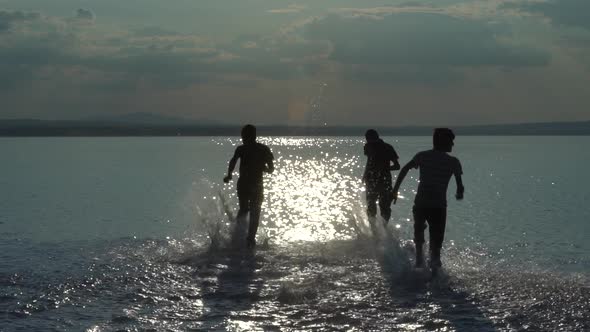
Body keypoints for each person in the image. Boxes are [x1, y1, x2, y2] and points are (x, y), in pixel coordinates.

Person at [392, 128, 464, 272]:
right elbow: (460, 186)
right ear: (443, 142)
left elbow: (404, 169)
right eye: (451, 141)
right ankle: (434, 274)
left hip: (421, 204)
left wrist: (395, 190)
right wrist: (459, 192)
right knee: (436, 242)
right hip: (438, 206)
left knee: (419, 232)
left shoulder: (422, 156)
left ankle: (419, 263)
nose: (453, 145)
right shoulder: (453, 162)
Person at [223, 124, 274, 248]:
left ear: (251, 136)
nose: (243, 138)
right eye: (242, 136)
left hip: (252, 184)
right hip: (248, 184)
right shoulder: (245, 149)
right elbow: (233, 161)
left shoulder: (257, 149)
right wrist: (229, 174)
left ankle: (247, 238)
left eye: (244, 136)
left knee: (250, 210)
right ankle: (244, 237)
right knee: (249, 210)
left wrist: (229, 175)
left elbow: (271, 169)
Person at [362, 129, 400, 225]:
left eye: (368, 140)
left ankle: (384, 228)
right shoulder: (368, 147)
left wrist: (385, 169)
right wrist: (365, 174)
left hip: (384, 180)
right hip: (371, 180)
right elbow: (369, 161)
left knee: (384, 206)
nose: (368, 142)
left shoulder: (387, 147)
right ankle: (373, 229)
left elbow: (397, 166)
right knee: (371, 204)